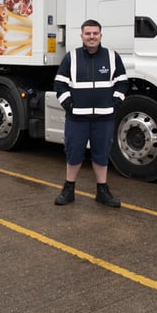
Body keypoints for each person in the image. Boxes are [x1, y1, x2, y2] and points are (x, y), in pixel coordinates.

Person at [54, 19, 128, 207]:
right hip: (77, 118)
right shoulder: (71, 57)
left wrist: (115, 103)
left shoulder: (112, 57)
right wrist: (69, 106)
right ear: (82, 36)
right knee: (73, 153)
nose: (91, 37)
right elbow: (60, 84)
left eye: (95, 33)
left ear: (100, 35)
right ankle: (69, 189)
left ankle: (102, 191)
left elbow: (122, 82)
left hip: (104, 118)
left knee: (101, 154)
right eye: (88, 33)